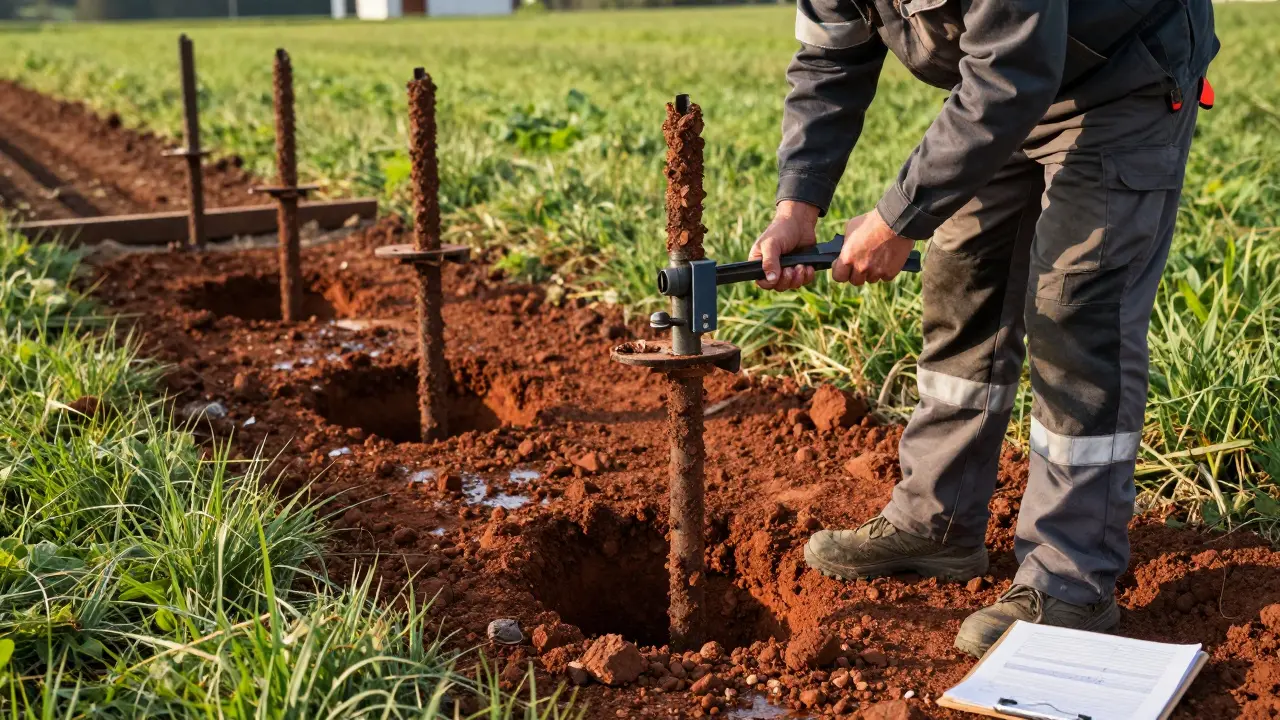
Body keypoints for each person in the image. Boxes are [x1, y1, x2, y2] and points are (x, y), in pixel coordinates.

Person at [750, 0, 1218, 657]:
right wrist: (797, 204)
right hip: (1000, 85)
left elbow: (1011, 71)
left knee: (1075, 312)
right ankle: (935, 522)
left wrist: (895, 220)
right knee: (961, 280)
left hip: (1121, 77)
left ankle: (1071, 577)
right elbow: (830, 59)